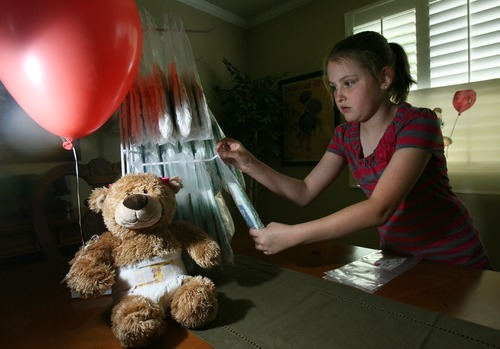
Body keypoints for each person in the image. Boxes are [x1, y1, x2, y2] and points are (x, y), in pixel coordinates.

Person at [216, 31, 490, 269]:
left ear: (384, 78)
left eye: (349, 83)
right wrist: (247, 161)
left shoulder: (418, 122)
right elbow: (304, 191)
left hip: (454, 257)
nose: (339, 96)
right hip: (399, 258)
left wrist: (293, 235)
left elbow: (379, 208)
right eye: (334, 87)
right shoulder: (344, 135)